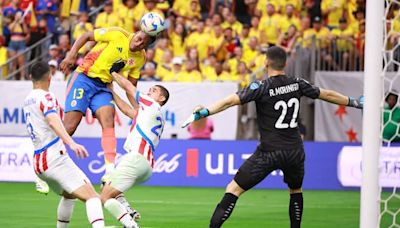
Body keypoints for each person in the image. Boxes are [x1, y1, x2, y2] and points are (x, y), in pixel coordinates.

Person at [185, 46, 364, 228]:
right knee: (295, 190)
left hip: (269, 151)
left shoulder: (261, 87)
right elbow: (327, 94)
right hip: (295, 150)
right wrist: (354, 102)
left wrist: (206, 111)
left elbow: (230, 101)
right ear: (285, 63)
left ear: (265, 63)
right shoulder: (297, 83)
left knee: (233, 189)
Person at [60, 27, 158, 185]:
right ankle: (46, 158)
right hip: (83, 78)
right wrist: (71, 55)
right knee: (70, 126)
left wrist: (139, 110)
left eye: (143, 44)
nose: (139, 44)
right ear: (137, 33)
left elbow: (130, 87)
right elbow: (86, 35)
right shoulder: (118, 34)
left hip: (104, 86)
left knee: (108, 120)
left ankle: (109, 172)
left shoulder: (140, 58)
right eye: (139, 39)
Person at [23, 62, 105, 228]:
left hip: (39, 162)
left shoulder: (27, 100)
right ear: (49, 77)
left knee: (69, 194)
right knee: (93, 197)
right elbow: (53, 121)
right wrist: (71, 143)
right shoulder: (47, 96)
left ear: (31, 77)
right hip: (54, 157)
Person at [100, 63, 169, 228]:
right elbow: (128, 110)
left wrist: (114, 73)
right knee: (108, 184)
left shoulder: (152, 105)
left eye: (154, 90)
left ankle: (131, 224)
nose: (149, 91)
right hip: (145, 166)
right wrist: (111, 91)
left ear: (161, 98)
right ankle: (128, 211)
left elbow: (129, 88)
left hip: (136, 158)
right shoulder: (152, 112)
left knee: (104, 197)